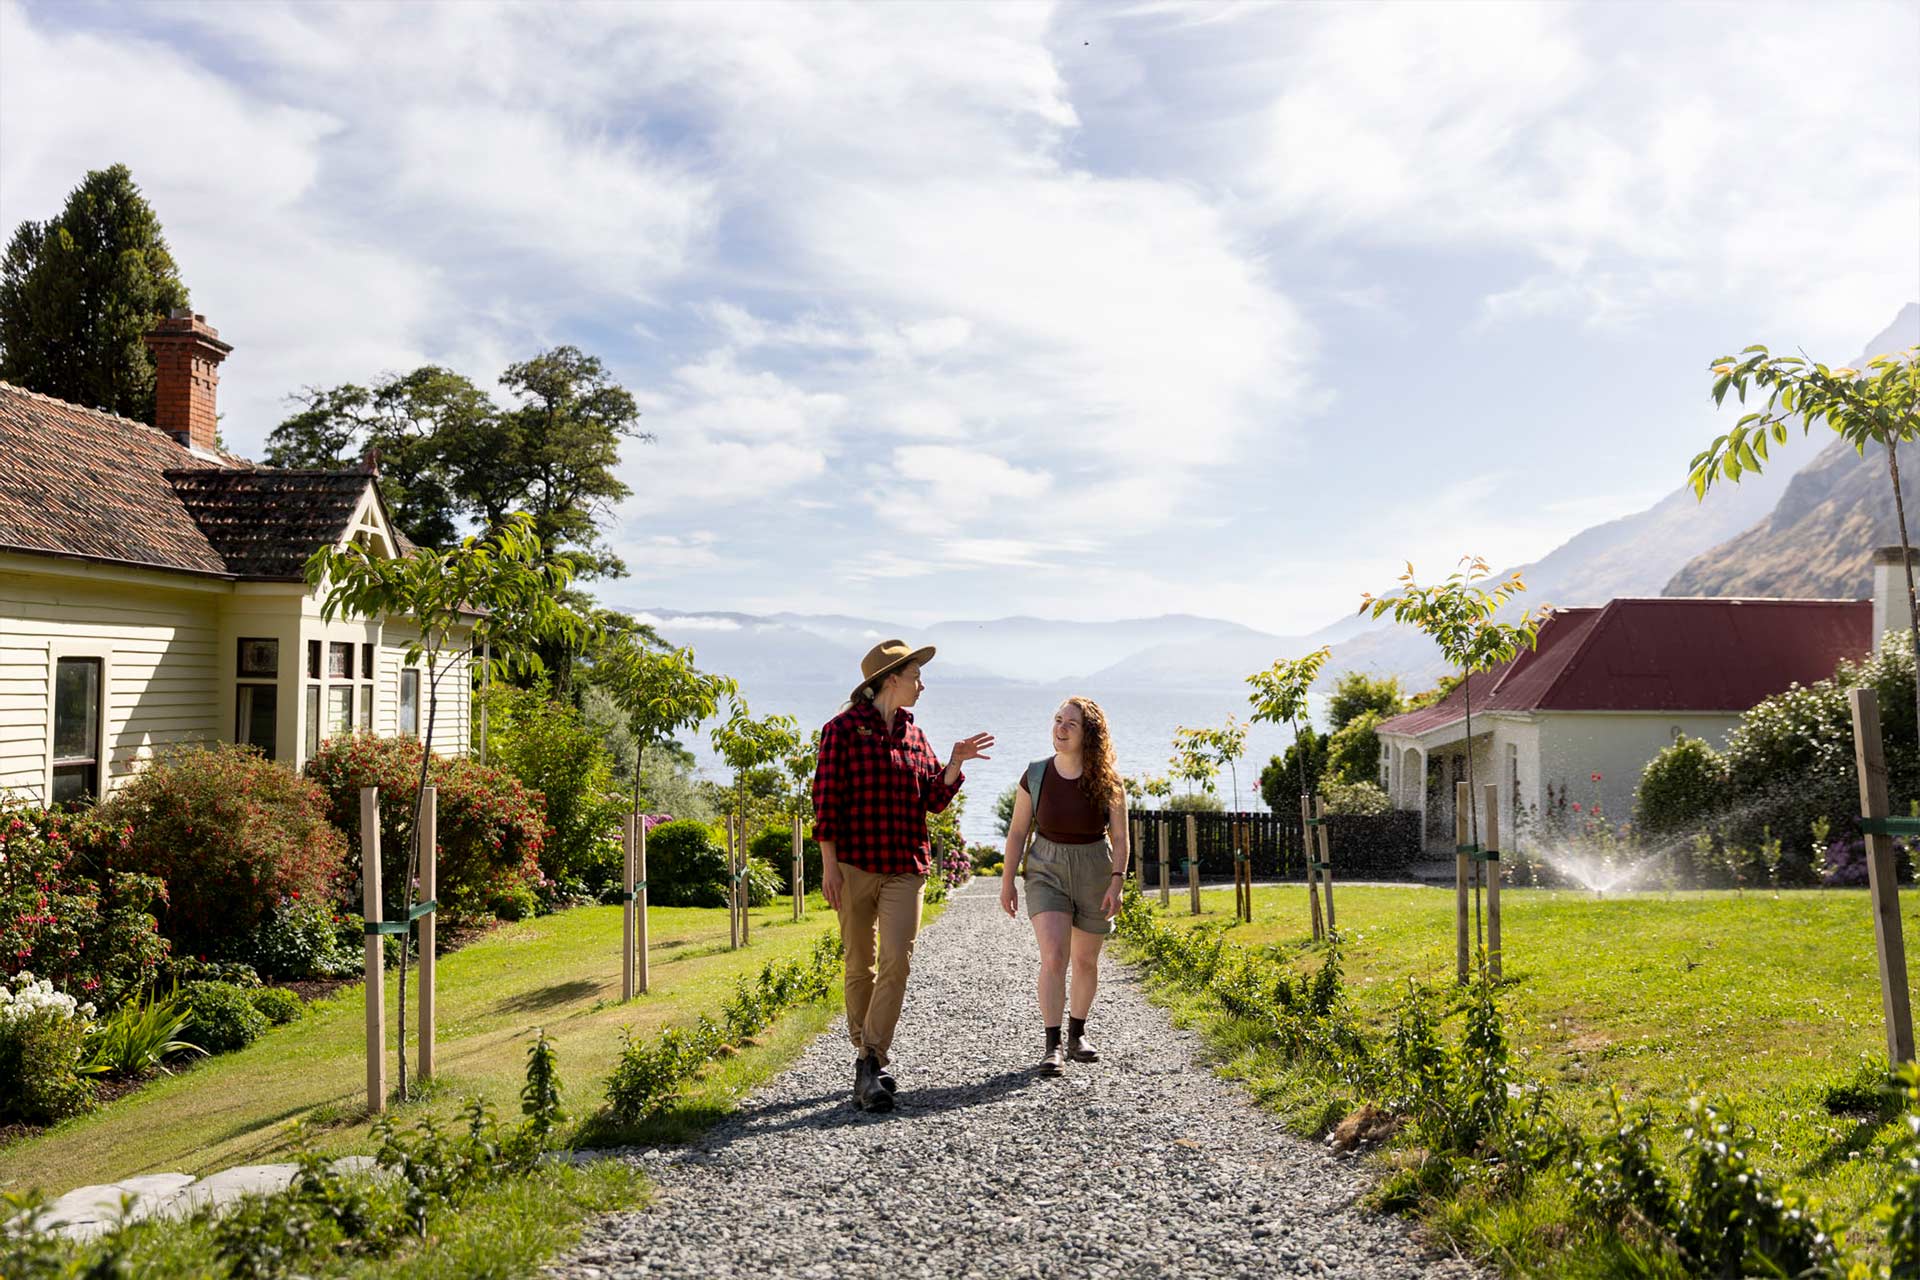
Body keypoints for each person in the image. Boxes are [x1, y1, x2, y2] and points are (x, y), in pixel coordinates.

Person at [813, 638, 993, 1112]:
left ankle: (870, 1060)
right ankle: (866, 1056)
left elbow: (932, 799)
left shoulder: (915, 735)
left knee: (897, 960)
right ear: (889, 679)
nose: (921, 684)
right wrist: (829, 866)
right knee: (859, 963)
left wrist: (953, 764)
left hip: (905, 867)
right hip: (853, 864)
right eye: (915, 676)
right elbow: (826, 804)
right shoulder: (842, 730)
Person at [999, 696, 1129, 1076]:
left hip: (1095, 868)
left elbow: (1120, 838)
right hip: (1046, 869)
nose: (1061, 728)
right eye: (1058, 720)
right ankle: (1052, 1044)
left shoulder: (1109, 780)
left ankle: (1077, 1034)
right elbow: (1018, 832)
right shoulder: (1035, 774)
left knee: (1086, 960)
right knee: (1055, 955)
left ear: (1089, 733)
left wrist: (1117, 882)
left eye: (1071, 723)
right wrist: (1007, 882)